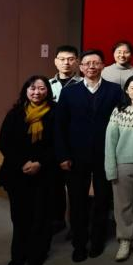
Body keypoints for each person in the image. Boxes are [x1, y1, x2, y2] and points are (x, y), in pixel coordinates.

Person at [54, 49, 122, 262]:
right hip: (76, 155)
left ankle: (97, 240)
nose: (91, 66)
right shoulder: (69, 92)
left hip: (106, 154)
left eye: (96, 63)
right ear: (81, 67)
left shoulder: (114, 90)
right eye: (87, 63)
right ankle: (79, 243)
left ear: (103, 66)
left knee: (102, 199)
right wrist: (63, 155)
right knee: (77, 201)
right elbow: (60, 126)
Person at [0, 75, 56, 265]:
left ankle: (37, 254)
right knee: (19, 216)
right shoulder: (15, 113)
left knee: (41, 216)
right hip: (17, 172)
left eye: (41, 88)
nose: (36, 92)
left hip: (44, 171)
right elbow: (4, 143)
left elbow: (57, 143)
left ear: (48, 91)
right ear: (26, 91)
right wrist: (23, 163)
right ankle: (18, 256)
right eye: (32, 88)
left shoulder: (55, 112)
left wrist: (40, 163)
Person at [104, 75, 133, 262]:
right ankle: (124, 239)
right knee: (123, 204)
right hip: (122, 164)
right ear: (126, 90)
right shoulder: (119, 111)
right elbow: (110, 141)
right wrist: (110, 168)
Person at [47, 44, 82, 233]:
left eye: (70, 59)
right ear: (55, 61)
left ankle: (75, 225)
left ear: (77, 61)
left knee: (75, 187)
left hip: (73, 141)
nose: (66, 63)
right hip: (50, 141)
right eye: (62, 59)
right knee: (53, 185)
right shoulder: (46, 85)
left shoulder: (83, 84)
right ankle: (56, 220)